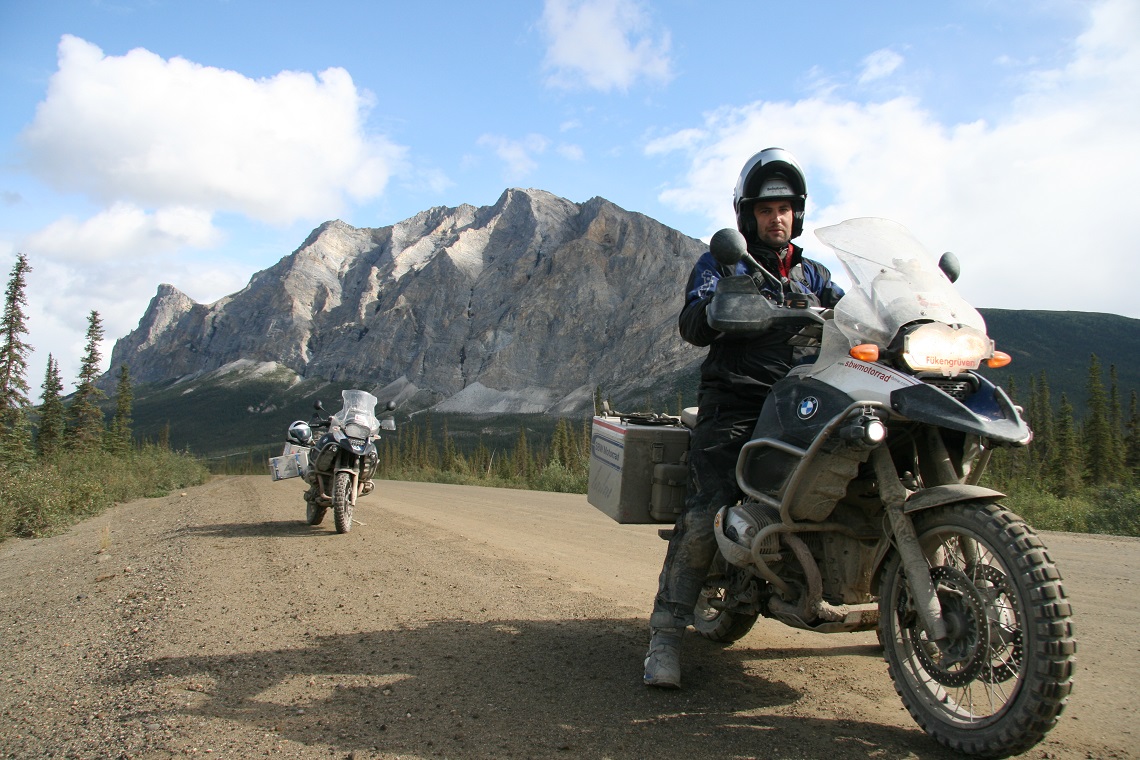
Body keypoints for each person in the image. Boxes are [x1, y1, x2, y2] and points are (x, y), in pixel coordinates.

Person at [644, 147, 845, 688]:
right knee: (707, 505)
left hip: (804, 401)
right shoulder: (724, 262)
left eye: (783, 208)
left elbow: (853, 315)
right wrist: (715, 310)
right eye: (764, 209)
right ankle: (665, 635)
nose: (775, 218)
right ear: (746, 216)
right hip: (737, 400)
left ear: (797, 213)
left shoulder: (816, 274)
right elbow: (692, 319)